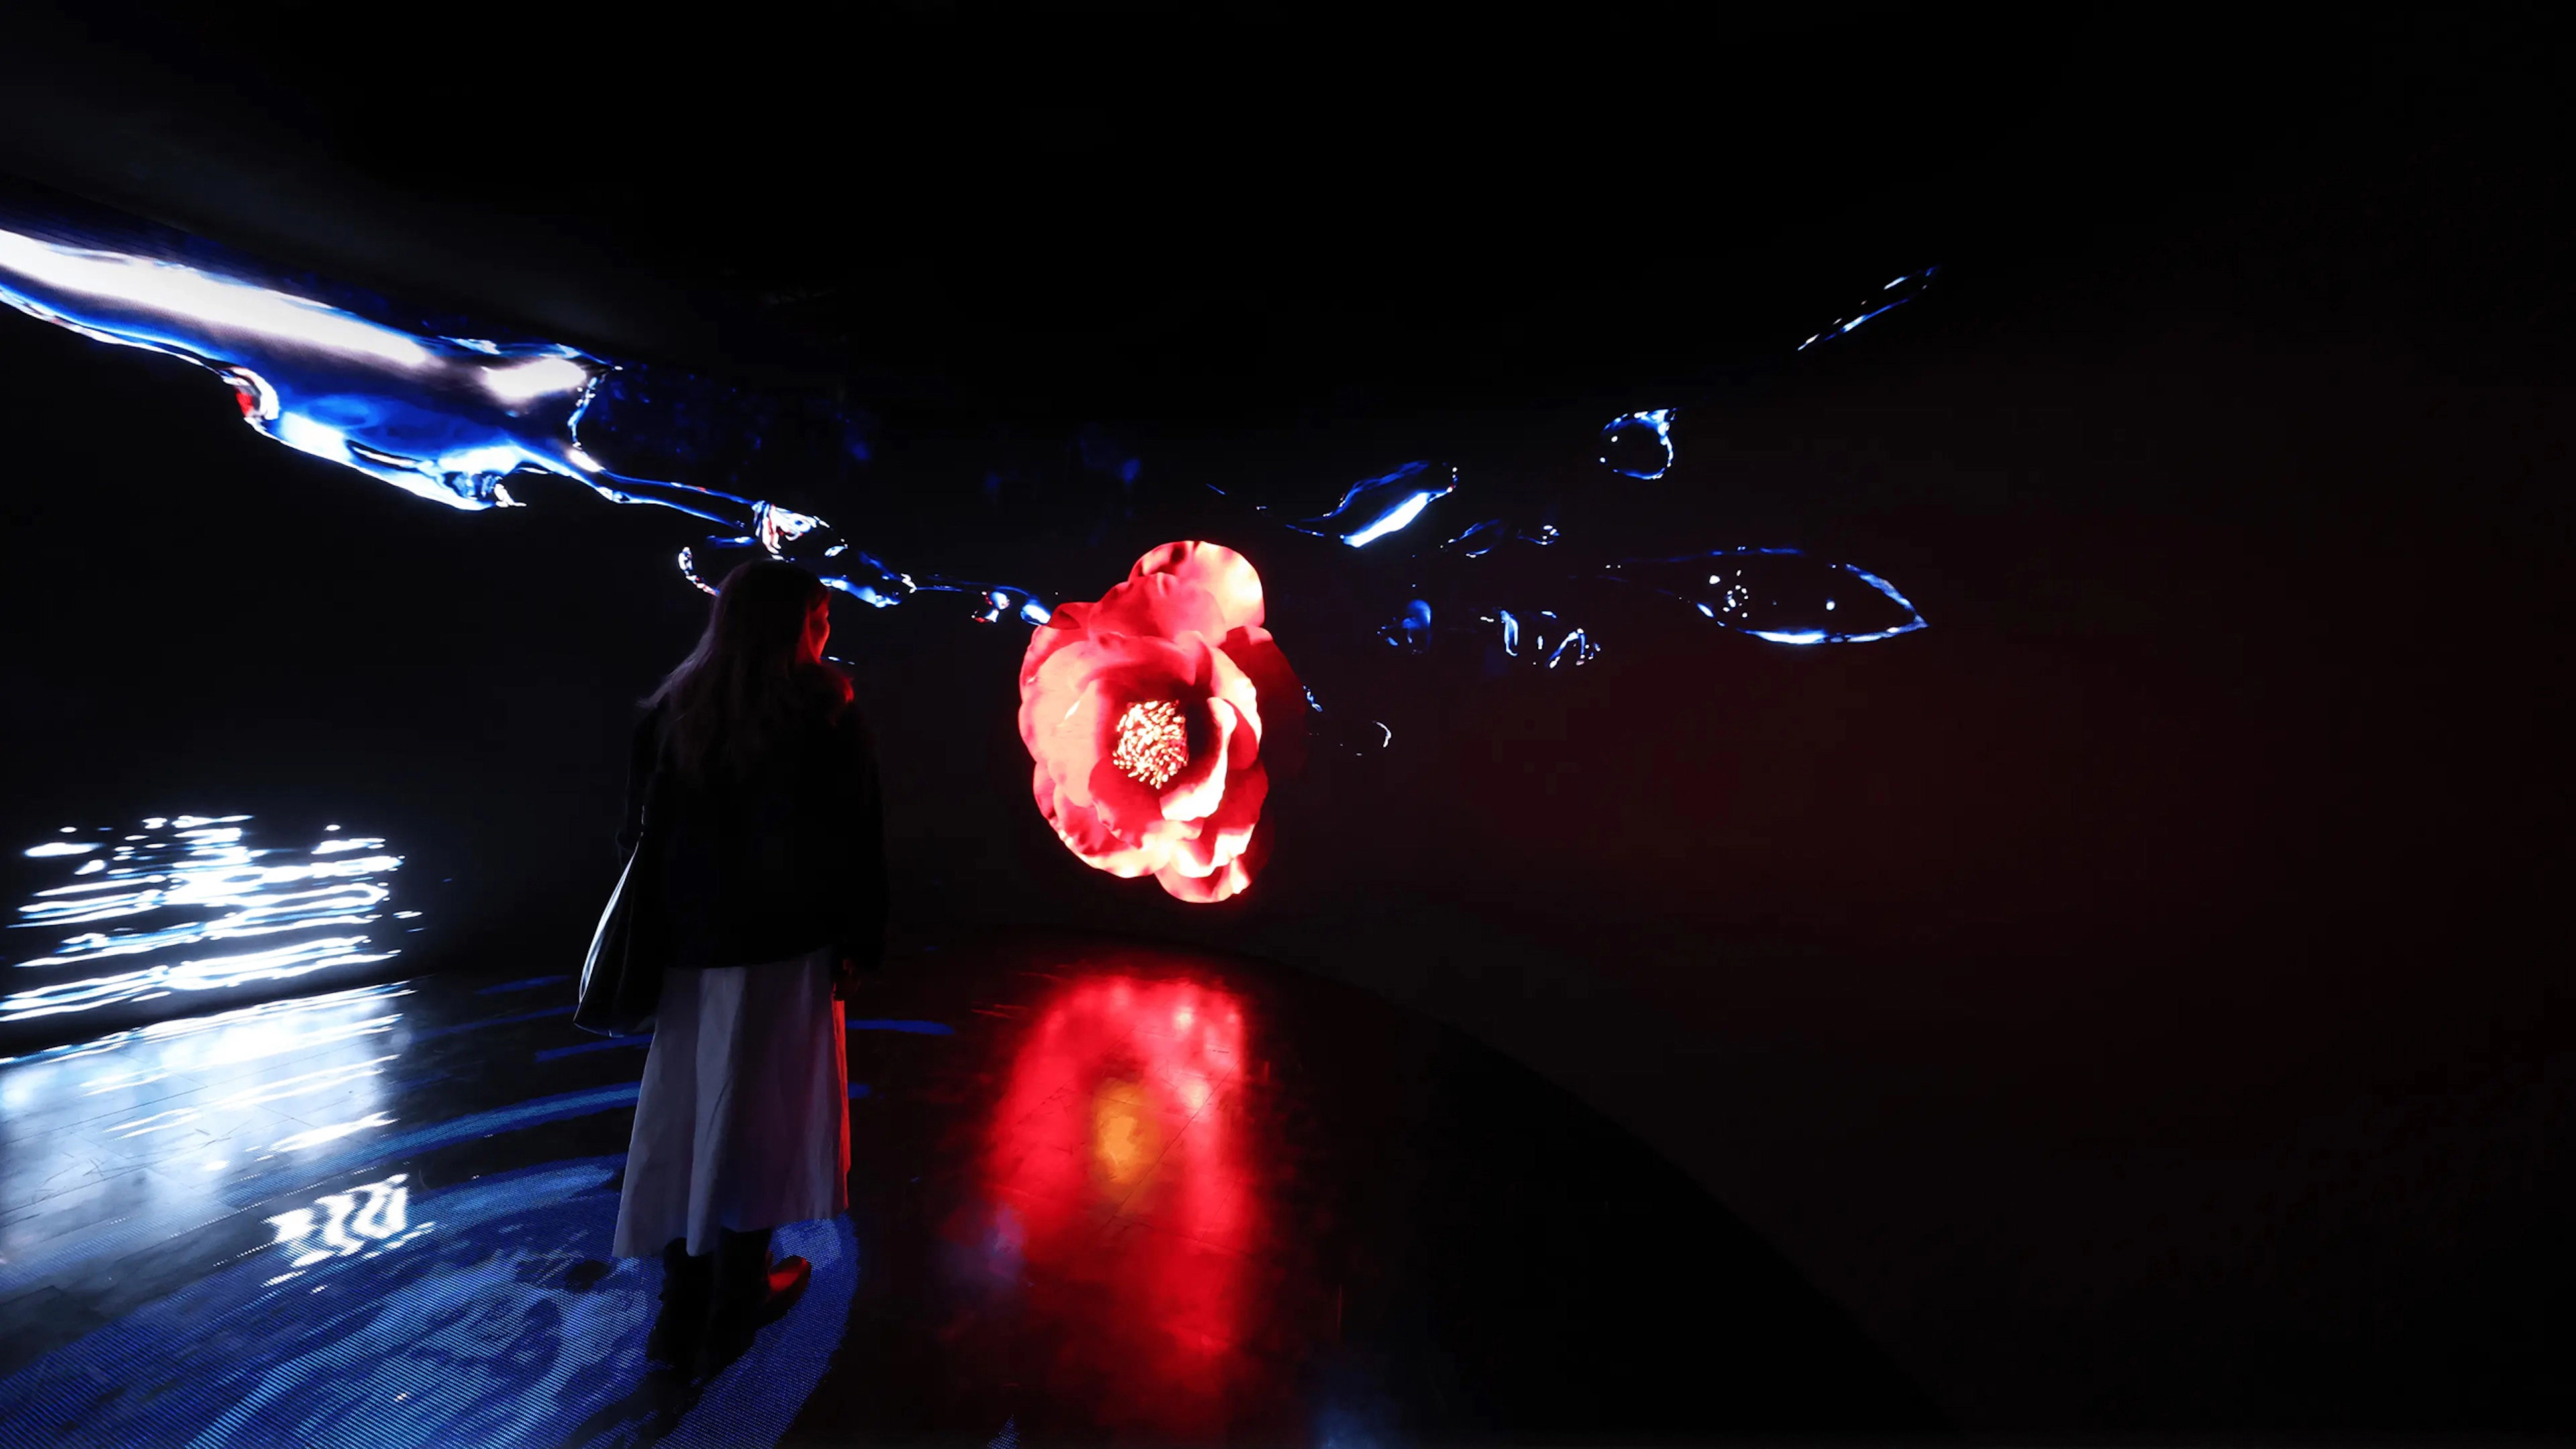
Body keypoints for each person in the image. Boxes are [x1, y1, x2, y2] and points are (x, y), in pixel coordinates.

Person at [607, 559, 888, 1373]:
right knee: (766, 1121)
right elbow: (857, 841)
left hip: (692, 953)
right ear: (798, 625)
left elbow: (635, 841)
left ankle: (682, 1303)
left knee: (686, 1115)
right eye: (820, 618)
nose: (827, 632)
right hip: (787, 955)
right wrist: (861, 943)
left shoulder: (673, 712)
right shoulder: (825, 712)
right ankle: (738, 1296)